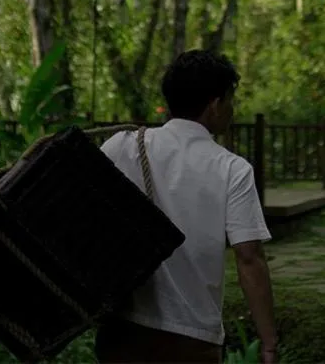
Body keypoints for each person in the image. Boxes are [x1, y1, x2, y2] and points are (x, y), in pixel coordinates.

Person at [97, 50, 279, 364]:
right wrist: (269, 342)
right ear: (215, 104)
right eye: (230, 100)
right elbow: (249, 260)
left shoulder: (121, 146)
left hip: (121, 330)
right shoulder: (232, 169)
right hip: (190, 340)